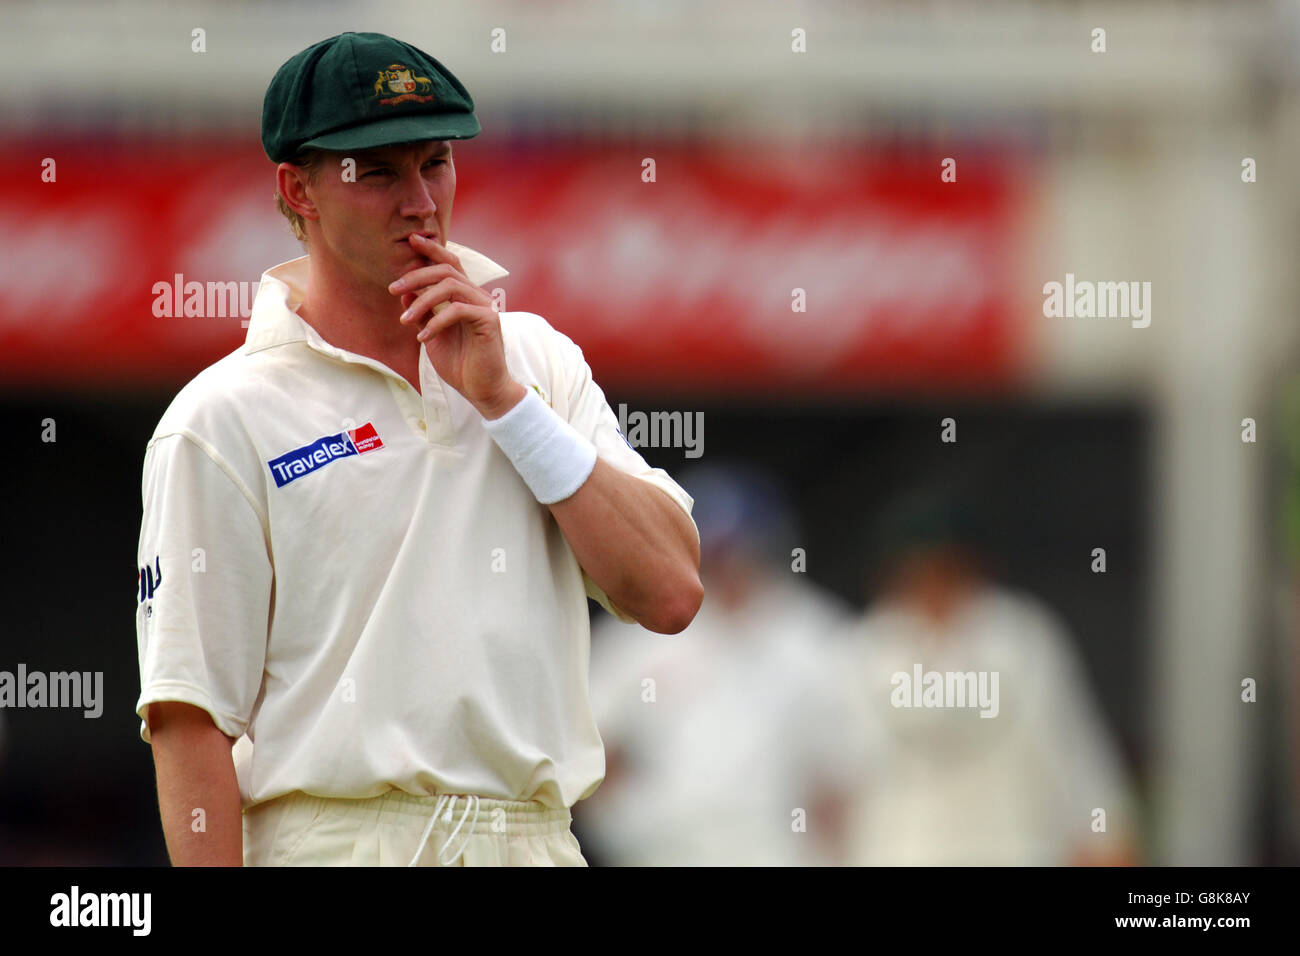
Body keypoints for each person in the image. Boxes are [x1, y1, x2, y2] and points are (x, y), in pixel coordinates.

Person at [133, 31, 702, 867]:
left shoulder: (535, 362)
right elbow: (189, 722)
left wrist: (505, 405)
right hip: (335, 843)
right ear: (299, 189)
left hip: (535, 841)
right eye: (379, 172)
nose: (421, 201)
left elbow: (671, 593)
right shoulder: (222, 418)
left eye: (435, 162)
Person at [577, 464, 861, 865]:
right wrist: (630, 828)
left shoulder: (816, 637)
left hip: (776, 853)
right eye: (714, 552)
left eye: (738, 550)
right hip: (668, 852)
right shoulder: (641, 635)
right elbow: (592, 751)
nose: (727, 567)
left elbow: (841, 778)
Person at [840, 489, 1140, 865]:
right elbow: (836, 776)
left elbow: (1072, 745)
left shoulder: (1020, 636)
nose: (931, 585)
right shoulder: (869, 647)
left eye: (945, 569)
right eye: (915, 570)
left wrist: (1104, 831)